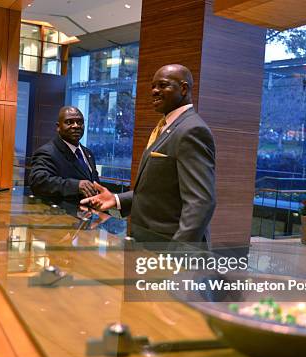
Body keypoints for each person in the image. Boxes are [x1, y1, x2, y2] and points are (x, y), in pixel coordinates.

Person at [81, 64, 216, 245]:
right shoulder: (167, 126)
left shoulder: (192, 130)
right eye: (153, 86)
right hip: (147, 243)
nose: (154, 91)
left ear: (183, 88)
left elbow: (200, 203)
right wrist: (116, 199)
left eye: (163, 85)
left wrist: (176, 257)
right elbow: (159, 192)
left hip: (167, 249)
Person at [28, 106, 100, 199]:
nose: (76, 126)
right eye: (69, 122)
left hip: (93, 211)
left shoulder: (88, 153)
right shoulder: (47, 152)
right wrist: (76, 186)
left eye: (79, 122)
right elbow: (38, 182)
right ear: (58, 127)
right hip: (65, 212)